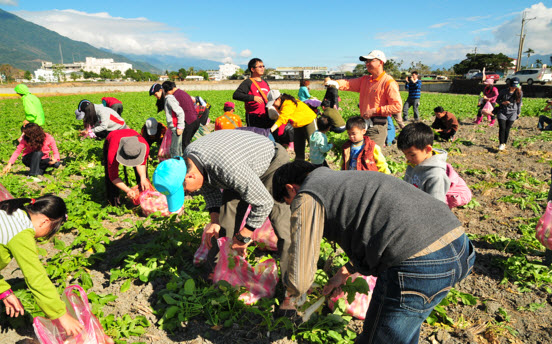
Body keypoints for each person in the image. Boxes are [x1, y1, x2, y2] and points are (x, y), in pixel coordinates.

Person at [272, 161, 475, 343]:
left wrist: (293, 296)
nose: (292, 206)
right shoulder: (342, 179)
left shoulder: (307, 194)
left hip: (419, 263)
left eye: (289, 202)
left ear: (292, 188)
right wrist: (344, 272)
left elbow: (301, 262)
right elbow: (376, 226)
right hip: (459, 246)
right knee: (402, 333)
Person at [154, 130, 291, 276]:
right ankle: (220, 273)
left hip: (271, 162)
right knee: (226, 220)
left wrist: (244, 235)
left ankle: (292, 282)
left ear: (190, 176)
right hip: (240, 165)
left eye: (185, 190)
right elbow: (209, 189)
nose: (188, 193)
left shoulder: (227, 169)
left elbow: (264, 203)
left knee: (280, 222)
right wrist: (215, 221)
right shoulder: (191, 161)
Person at [0, 195, 84, 337]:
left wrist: (4, 291)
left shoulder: (11, 212)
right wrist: (61, 315)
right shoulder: (20, 232)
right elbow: (36, 277)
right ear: (45, 221)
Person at [336, 50, 402, 148]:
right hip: (364, 125)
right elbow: (348, 84)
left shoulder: (388, 82)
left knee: (372, 157)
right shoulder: (365, 80)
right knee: (363, 156)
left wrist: (375, 110)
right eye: (366, 61)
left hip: (377, 127)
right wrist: (335, 83)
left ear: (380, 62)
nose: (367, 64)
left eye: (370, 61)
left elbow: (397, 107)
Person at [397, 122, 450, 203]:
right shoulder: (414, 163)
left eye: (412, 154)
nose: (407, 158)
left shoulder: (436, 175)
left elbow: (436, 206)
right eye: (405, 154)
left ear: (428, 149)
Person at [103, 129, 151, 206]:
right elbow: (113, 176)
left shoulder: (144, 146)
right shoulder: (112, 152)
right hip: (113, 137)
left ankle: (144, 196)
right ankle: (114, 202)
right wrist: (127, 190)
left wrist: (143, 178)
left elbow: (142, 164)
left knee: (143, 178)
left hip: (131, 136)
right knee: (109, 176)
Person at [267, 91, 317, 161]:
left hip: (309, 121)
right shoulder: (280, 105)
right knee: (298, 148)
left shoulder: (288, 103)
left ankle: (322, 166)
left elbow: (282, 119)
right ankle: (299, 166)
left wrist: (270, 130)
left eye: (273, 103)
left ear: (278, 99)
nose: (273, 105)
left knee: (314, 145)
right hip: (297, 124)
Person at [232, 58, 272, 129]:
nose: (262, 68)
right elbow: (236, 95)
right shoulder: (248, 82)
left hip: (266, 115)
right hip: (254, 117)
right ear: (252, 69)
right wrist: (253, 98)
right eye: (260, 67)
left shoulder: (264, 82)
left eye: (263, 66)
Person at [495, 77, 522, 151]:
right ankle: (501, 143)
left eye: (515, 86)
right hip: (502, 112)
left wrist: (518, 113)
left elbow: (519, 103)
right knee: (502, 128)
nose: (514, 88)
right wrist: (502, 103)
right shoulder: (503, 91)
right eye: (512, 86)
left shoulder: (519, 92)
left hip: (513, 113)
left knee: (507, 129)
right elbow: (497, 100)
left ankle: (504, 144)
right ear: (509, 85)